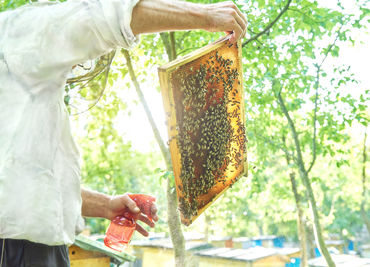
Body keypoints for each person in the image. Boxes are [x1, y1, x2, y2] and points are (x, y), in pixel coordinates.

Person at [0, 0, 247, 266]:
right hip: (14, 249)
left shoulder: (20, 92)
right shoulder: (19, 30)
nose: (76, 64)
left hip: (37, 248)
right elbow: (104, 16)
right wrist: (207, 15)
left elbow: (27, 184)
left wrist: (106, 205)